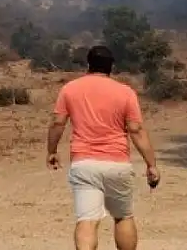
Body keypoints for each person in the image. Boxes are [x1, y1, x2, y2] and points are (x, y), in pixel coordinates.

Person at [46, 45, 160, 250]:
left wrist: (52, 151)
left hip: (84, 164)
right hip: (117, 164)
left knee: (87, 220)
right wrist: (151, 164)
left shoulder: (70, 89)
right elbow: (136, 130)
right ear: (111, 67)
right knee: (123, 216)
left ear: (88, 64)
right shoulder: (125, 93)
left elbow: (57, 123)